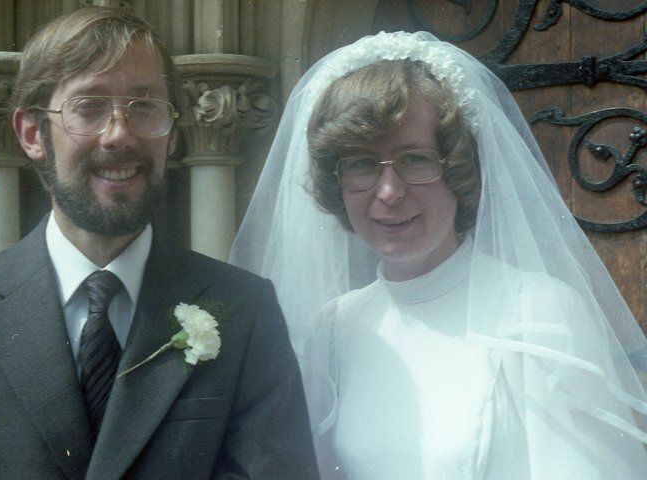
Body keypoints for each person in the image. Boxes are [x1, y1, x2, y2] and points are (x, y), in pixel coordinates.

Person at [230, 31, 647, 479]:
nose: (388, 193)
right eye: (362, 164)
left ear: (458, 168)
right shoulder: (335, 328)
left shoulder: (538, 312)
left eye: (415, 160)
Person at [0, 7, 318, 479]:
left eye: (145, 107)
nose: (119, 133)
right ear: (32, 133)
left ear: (172, 135)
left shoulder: (243, 310)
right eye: (88, 107)